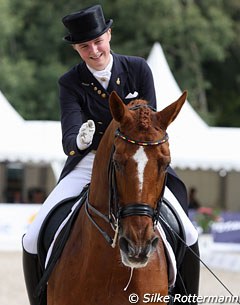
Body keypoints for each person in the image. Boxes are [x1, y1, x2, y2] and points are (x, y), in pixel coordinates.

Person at [22, 5, 199, 305]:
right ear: (77, 49)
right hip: (88, 161)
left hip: (136, 161)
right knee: (32, 236)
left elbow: (151, 122)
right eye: (84, 46)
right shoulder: (70, 82)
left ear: (109, 34)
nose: (93, 51)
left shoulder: (138, 69)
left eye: (97, 41)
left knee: (189, 233)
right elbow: (69, 137)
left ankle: (187, 300)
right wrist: (79, 140)